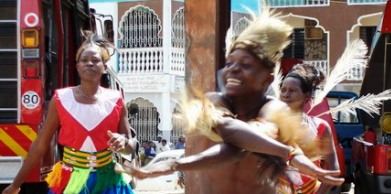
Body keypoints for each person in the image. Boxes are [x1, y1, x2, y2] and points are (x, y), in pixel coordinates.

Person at [124, 7, 344, 194]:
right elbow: (232, 132)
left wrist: (175, 164)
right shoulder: (213, 102)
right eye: (230, 63)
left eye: (246, 65)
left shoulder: (275, 109)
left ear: (266, 80)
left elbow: (240, 144)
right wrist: (289, 153)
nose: (234, 69)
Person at [2, 32, 136, 194]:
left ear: (104, 67)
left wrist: (123, 141)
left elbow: (130, 147)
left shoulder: (116, 100)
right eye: (84, 60)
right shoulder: (61, 99)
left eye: (95, 60)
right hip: (69, 181)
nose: (89, 64)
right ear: (77, 66)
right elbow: (40, 144)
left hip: (109, 181)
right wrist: (16, 184)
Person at [279, 63, 340, 193]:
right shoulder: (270, 125)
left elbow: (333, 167)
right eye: (283, 90)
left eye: (292, 90)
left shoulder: (320, 127)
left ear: (306, 96)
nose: (286, 94)